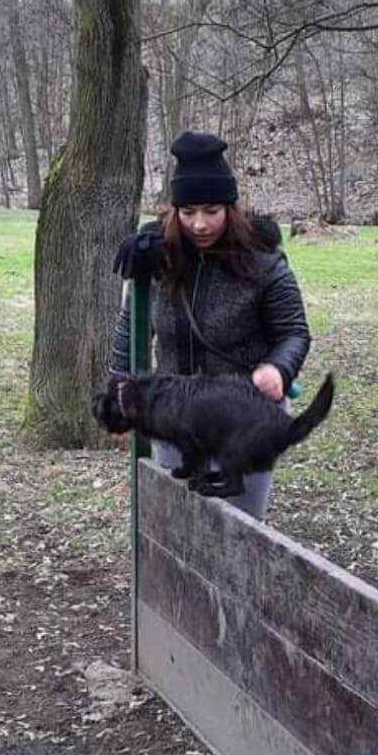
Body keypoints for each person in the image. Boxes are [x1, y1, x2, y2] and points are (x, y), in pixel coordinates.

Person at [108, 130, 312, 520]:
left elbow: (293, 331)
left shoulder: (262, 259)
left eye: (211, 211)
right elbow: (130, 326)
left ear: (230, 208)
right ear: (175, 212)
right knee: (177, 524)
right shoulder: (156, 256)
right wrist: (118, 389)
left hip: (244, 416)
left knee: (240, 529)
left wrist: (279, 368)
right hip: (173, 415)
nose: (199, 224)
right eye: (188, 213)